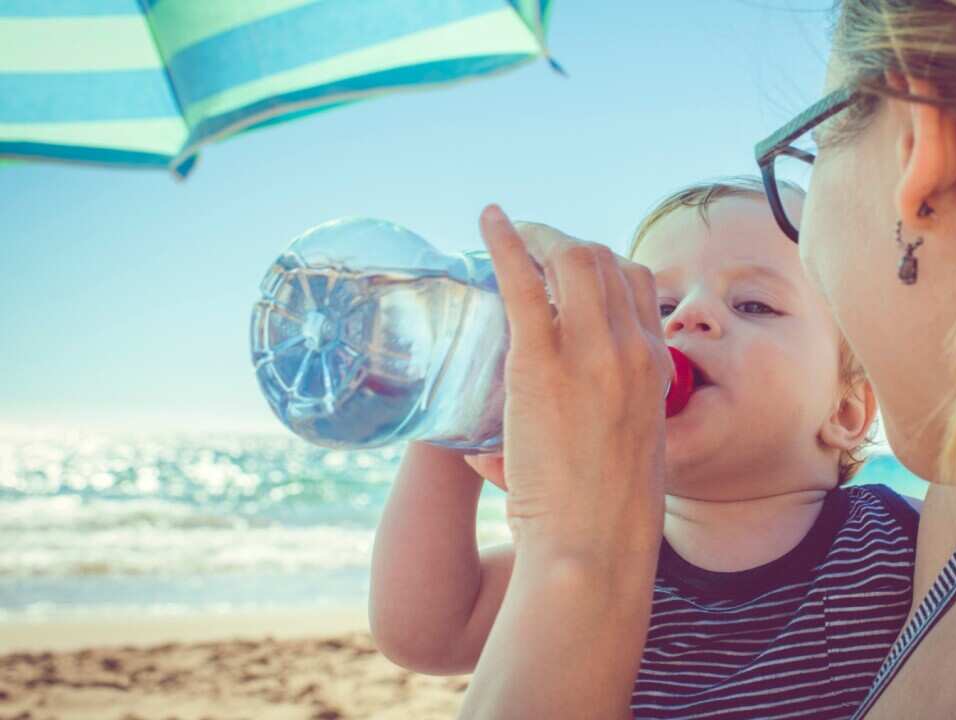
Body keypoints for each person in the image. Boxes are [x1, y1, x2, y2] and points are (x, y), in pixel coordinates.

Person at [455, 1, 956, 718]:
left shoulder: (946, 531)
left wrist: (575, 554)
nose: (693, 319)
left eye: (804, 156)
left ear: (923, 148)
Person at [369, 179, 925, 719]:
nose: (686, 317)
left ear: (846, 411)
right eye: (656, 308)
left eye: (754, 305)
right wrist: (460, 395)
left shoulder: (903, 539)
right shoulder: (607, 550)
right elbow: (426, 630)